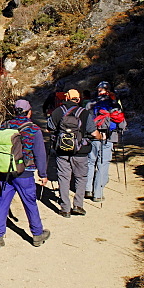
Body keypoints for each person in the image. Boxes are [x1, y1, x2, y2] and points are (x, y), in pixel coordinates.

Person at [0, 98, 50, 248]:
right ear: (29, 112)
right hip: (25, 172)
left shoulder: (5, 125)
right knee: (30, 203)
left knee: (3, 202)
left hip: (6, 171)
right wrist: (43, 174)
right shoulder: (33, 129)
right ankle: (37, 235)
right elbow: (40, 154)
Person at [47, 89, 97, 217]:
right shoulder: (85, 113)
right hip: (80, 151)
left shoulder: (58, 112)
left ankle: (65, 208)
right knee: (81, 178)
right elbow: (93, 133)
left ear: (66, 98)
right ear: (78, 99)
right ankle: (78, 205)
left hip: (62, 151)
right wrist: (100, 137)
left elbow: (49, 129)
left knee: (64, 178)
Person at [86, 81, 126, 202]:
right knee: (103, 164)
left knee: (91, 162)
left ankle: (87, 189)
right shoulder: (114, 105)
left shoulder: (90, 104)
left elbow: (86, 120)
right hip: (109, 137)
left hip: (93, 136)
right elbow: (122, 123)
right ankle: (98, 193)